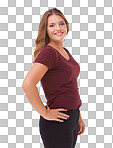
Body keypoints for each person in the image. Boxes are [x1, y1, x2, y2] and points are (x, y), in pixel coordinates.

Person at [22, 8, 85, 148]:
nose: (58, 28)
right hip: (58, 121)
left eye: (61, 23)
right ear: (45, 29)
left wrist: (77, 115)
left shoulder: (63, 51)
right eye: (52, 25)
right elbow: (27, 84)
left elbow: (70, 85)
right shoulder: (49, 53)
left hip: (71, 116)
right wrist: (44, 113)